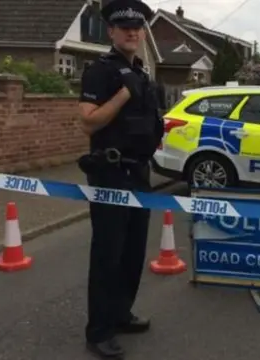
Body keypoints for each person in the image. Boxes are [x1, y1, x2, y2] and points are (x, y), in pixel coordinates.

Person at [77, 0, 163, 358]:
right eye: (123, 25)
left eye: (137, 26)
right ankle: (98, 330)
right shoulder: (101, 71)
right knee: (107, 256)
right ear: (111, 31)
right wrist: (124, 92)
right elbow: (89, 121)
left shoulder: (142, 73)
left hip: (140, 174)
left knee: (132, 253)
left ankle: (121, 313)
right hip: (111, 174)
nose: (131, 31)